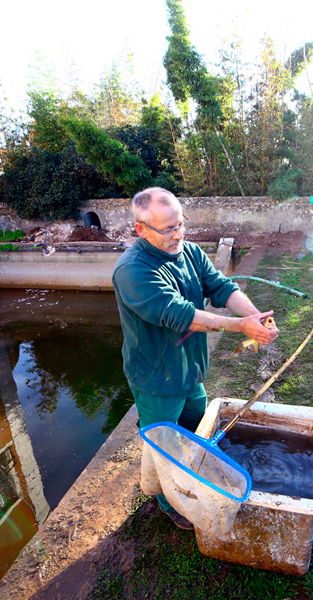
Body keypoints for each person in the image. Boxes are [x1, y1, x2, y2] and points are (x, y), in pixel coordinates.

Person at [112, 187, 279, 529]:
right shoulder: (133, 271)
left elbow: (221, 287)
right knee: (164, 445)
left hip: (189, 372)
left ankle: (193, 480)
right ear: (141, 229)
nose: (178, 234)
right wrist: (240, 327)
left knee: (196, 428)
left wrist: (255, 317)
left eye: (180, 224)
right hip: (156, 380)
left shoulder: (189, 252)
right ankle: (168, 501)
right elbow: (182, 315)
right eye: (168, 229)